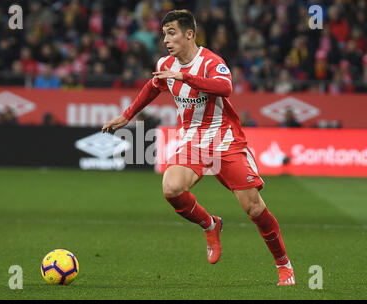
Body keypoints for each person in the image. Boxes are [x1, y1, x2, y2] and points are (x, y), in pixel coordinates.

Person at [102, 10, 295, 286]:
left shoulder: (210, 61)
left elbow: (225, 87)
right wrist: (127, 115)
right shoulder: (166, 64)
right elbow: (153, 86)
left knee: (253, 208)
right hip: (192, 140)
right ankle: (210, 224)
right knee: (171, 188)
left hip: (224, 139)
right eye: (164, 34)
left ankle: (284, 265)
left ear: (189, 34)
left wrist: (184, 77)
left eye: (172, 33)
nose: (166, 40)